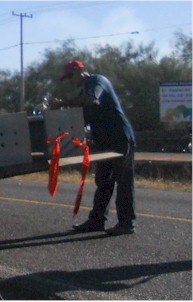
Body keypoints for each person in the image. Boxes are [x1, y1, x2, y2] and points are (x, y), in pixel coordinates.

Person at [50, 60, 137, 235]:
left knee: (123, 181)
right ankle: (97, 221)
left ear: (79, 70)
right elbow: (83, 118)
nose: (70, 81)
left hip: (119, 138)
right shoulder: (84, 91)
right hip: (104, 141)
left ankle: (127, 223)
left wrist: (63, 103)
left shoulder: (97, 82)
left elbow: (92, 99)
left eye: (70, 77)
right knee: (103, 181)